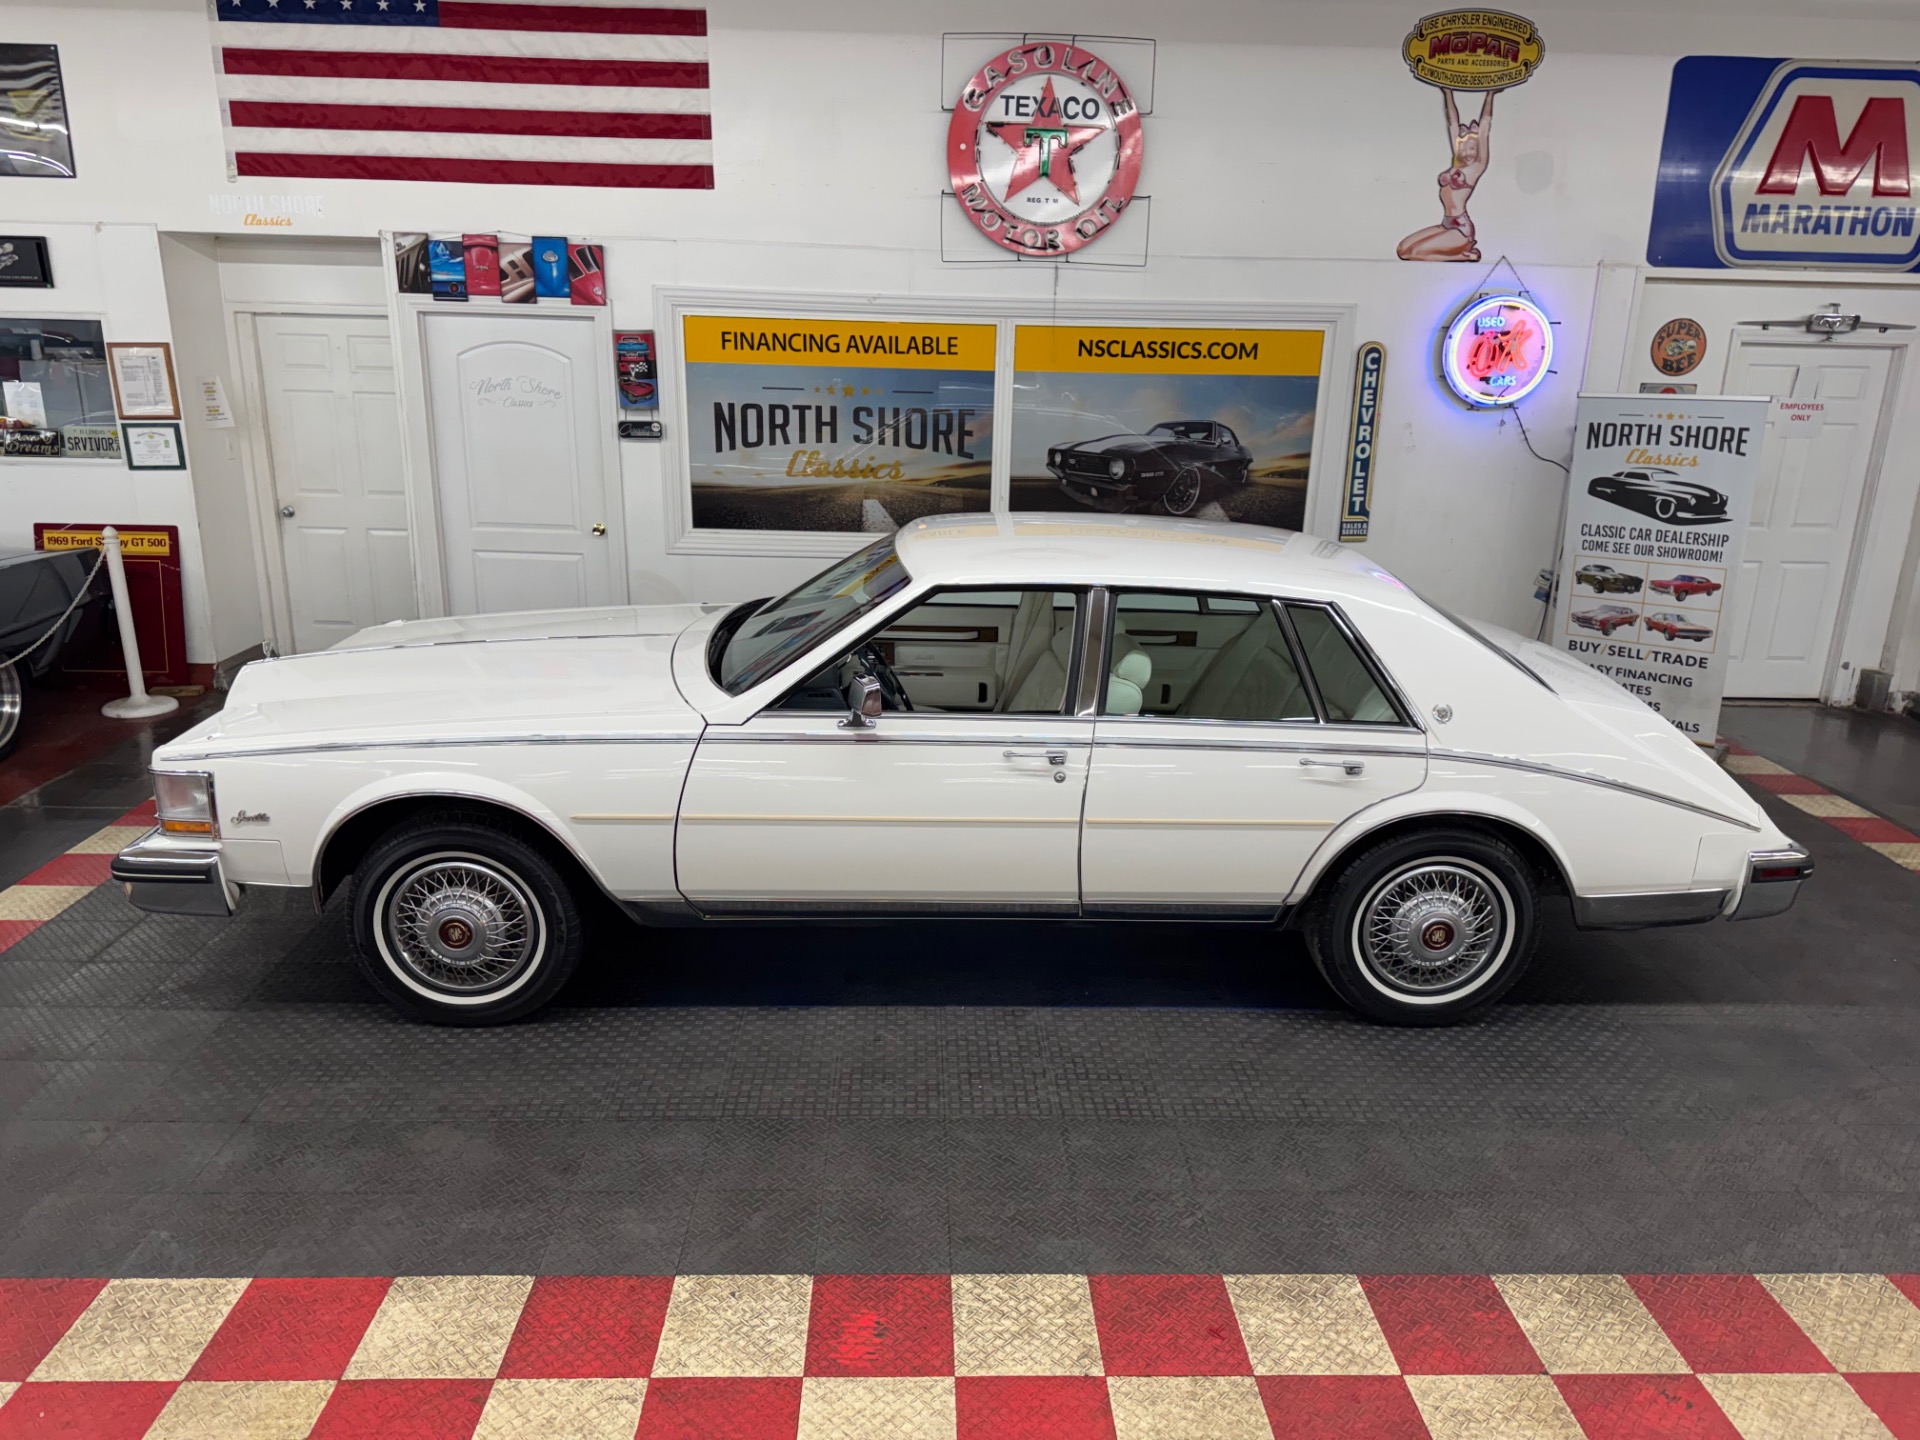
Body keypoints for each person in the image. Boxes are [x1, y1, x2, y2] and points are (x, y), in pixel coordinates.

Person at [1397, 89, 1492, 262]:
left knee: (1414, 253)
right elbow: (1452, 122)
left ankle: (1462, 255)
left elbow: (1484, 128)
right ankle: (1458, 252)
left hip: (1461, 231)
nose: (1468, 152)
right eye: (1464, 148)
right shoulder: (1457, 165)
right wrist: (1448, 93)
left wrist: (1489, 95)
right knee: (1402, 250)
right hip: (1446, 225)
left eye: (1472, 148)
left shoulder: (1476, 168)